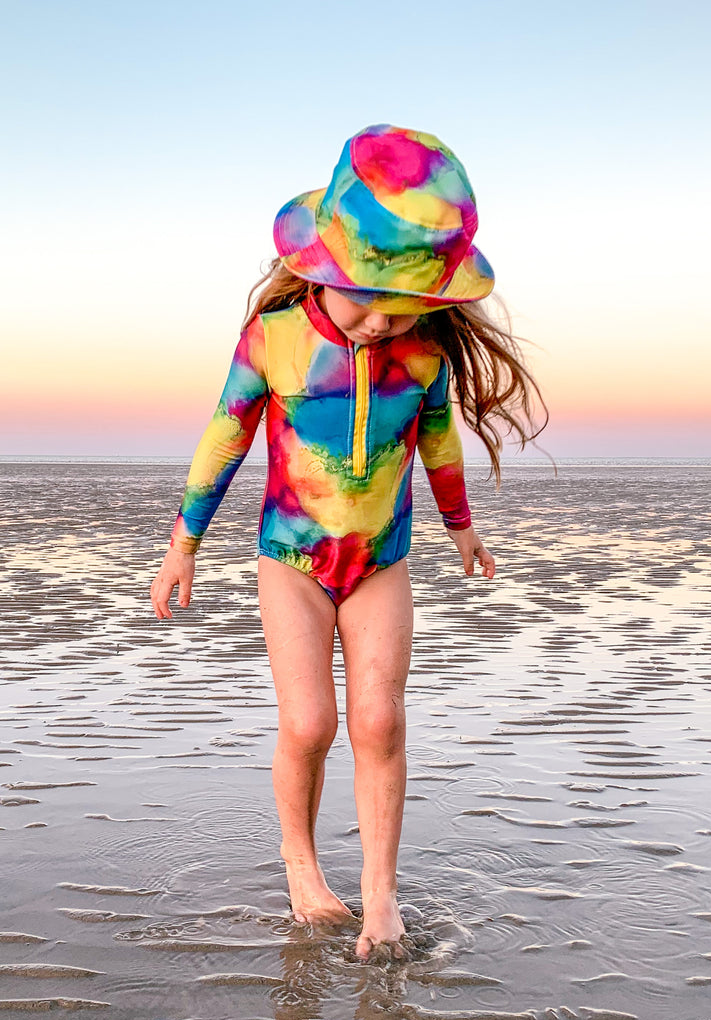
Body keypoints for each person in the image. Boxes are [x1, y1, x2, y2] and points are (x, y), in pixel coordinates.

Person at [149, 124, 545, 959]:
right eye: (360, 298)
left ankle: (379, 899)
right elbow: (224, 436)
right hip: (291, 560)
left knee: (379, 720)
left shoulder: (424, 355)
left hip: (379, 562)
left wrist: (461, 527)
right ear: (317, 270)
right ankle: (301, 869)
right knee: (309, 724)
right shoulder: (275, 340)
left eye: (396, 304)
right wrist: (182, 544)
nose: (375, 320)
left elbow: (437, 441)